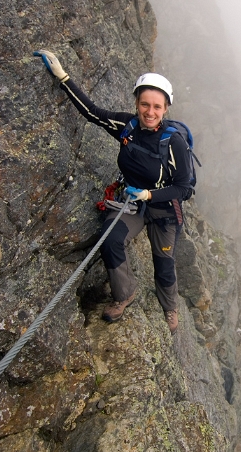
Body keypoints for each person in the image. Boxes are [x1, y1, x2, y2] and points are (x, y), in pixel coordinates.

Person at [34, 50, 192, 334]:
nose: (150, 112)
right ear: (136, 103)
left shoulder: (174, 143)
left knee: (164, 264)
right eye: (145, 104)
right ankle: (124, 294)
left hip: (164, 209)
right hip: (132, 202)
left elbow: (183, 188)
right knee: (110, 240)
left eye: (157, 106)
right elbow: (92, 113)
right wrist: (63, 78)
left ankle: (170, 307)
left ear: (166, 108)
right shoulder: (126, 126)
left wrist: (148, 195)